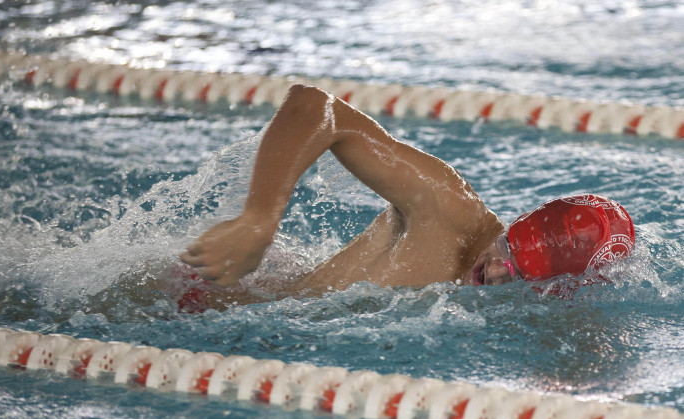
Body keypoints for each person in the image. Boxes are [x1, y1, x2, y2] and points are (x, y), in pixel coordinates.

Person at [178, 85, 634, 308]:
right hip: (201, 294)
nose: (494, 268)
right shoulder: (449, 212)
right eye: (508, 246)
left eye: (520, 271)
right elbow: (318, 107)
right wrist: (258, 220)